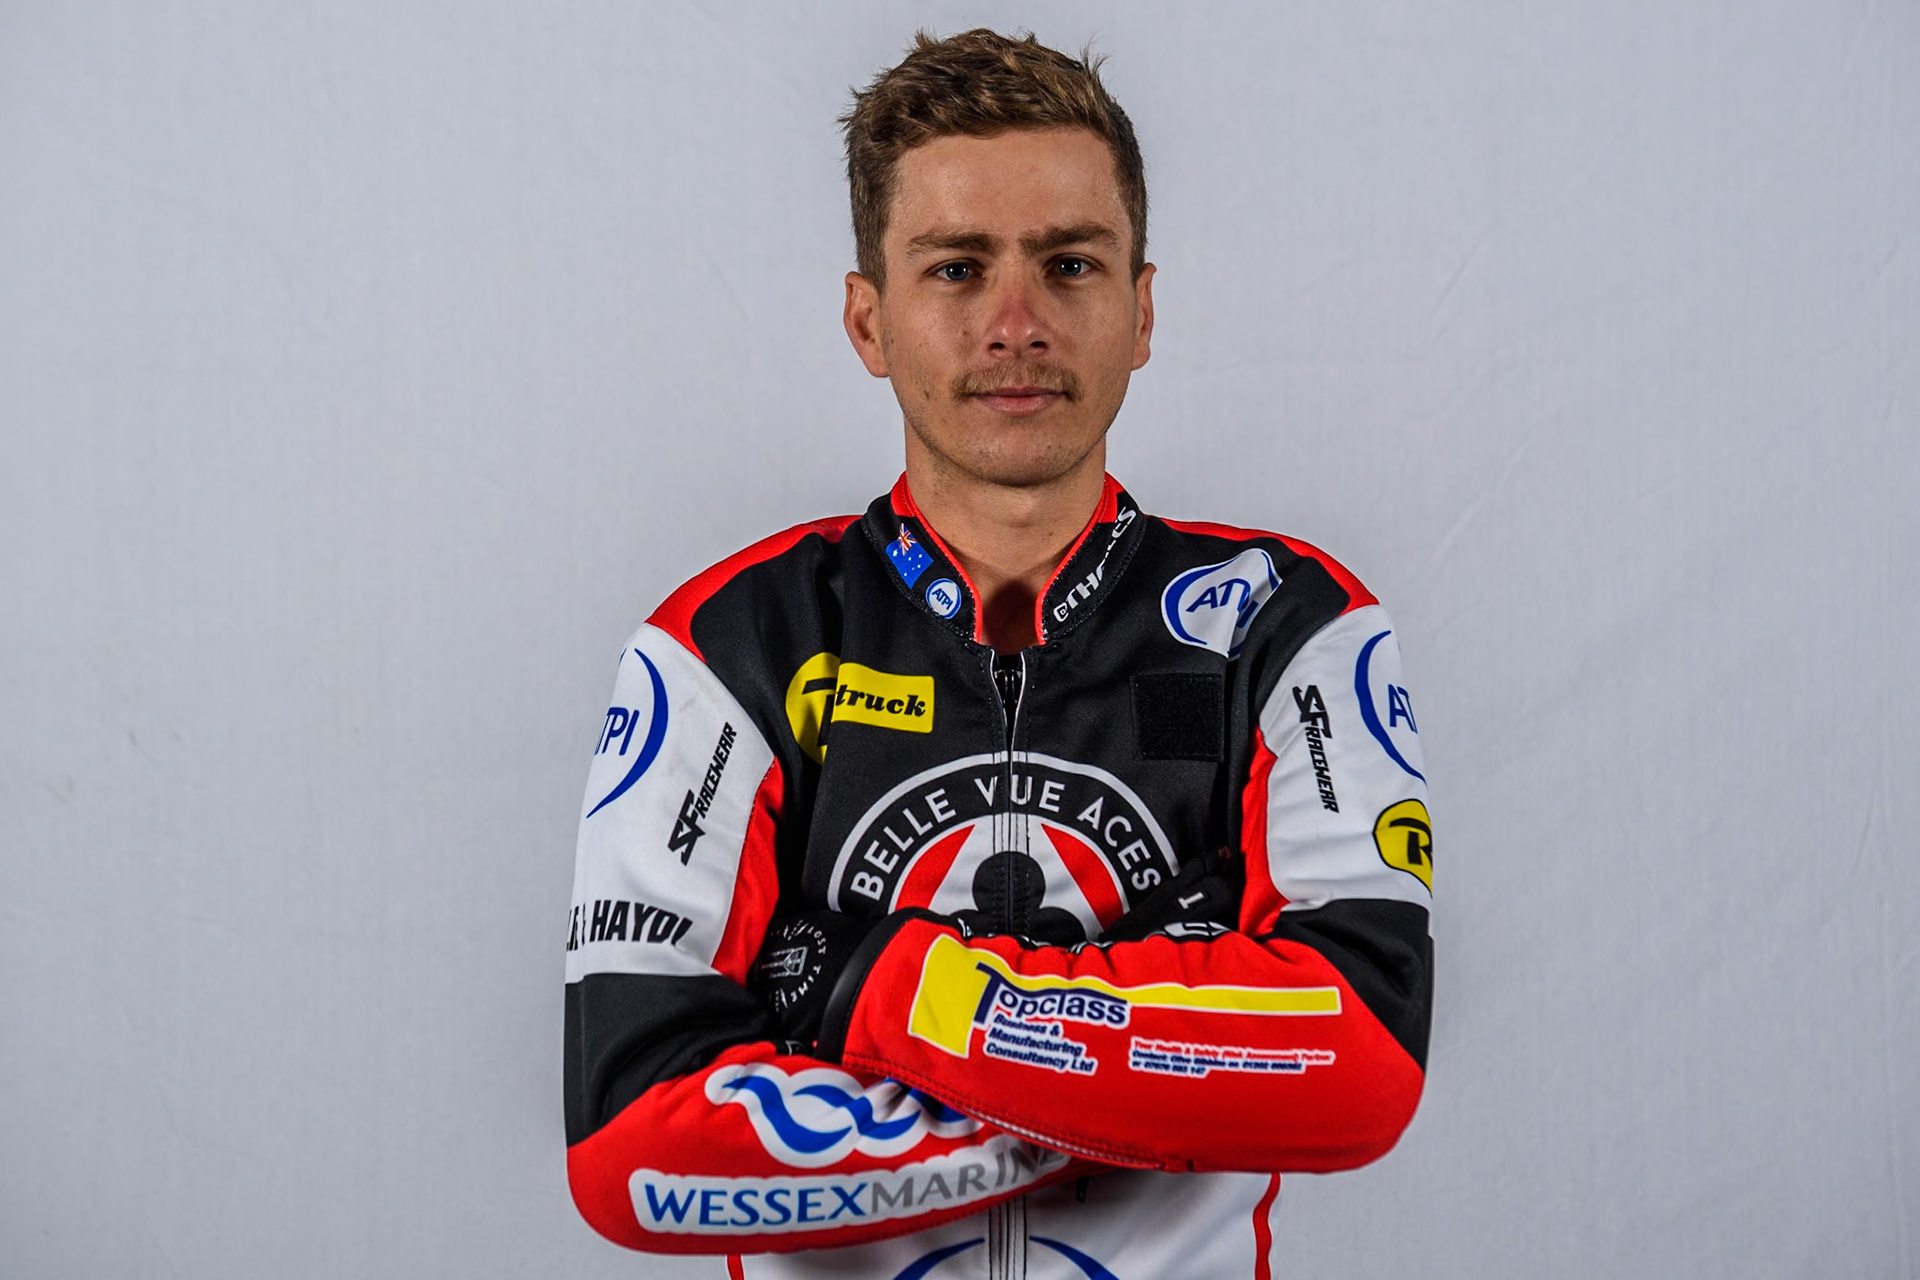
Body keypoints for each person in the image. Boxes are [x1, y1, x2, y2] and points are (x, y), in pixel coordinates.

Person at [564, 29, 1433, 1279]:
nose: (1016, 322)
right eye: (957, 268)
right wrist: (1157, 1050)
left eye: (1069, 263)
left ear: (1141, 309)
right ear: (868, 318)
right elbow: (631, 1146)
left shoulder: (1289, 625)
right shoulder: (729, 641)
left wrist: (876, 987)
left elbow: (1358, 1065)